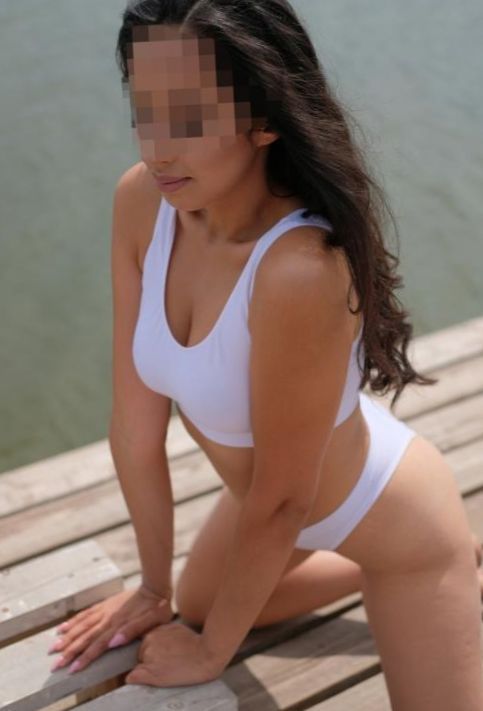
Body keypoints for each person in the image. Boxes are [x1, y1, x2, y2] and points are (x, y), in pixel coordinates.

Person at [48, 1, 483, 707]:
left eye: (188, 118)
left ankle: (450, 560)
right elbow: (134, 427)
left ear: (265, 119)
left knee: (233, 608)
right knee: (196, 598)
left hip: (391, 529)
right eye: (144, 111)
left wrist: (208, 652)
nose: (158, 148)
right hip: (276, 493)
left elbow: (285, 501)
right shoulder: (142, 204)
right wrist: (153, 589)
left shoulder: (298, 269)